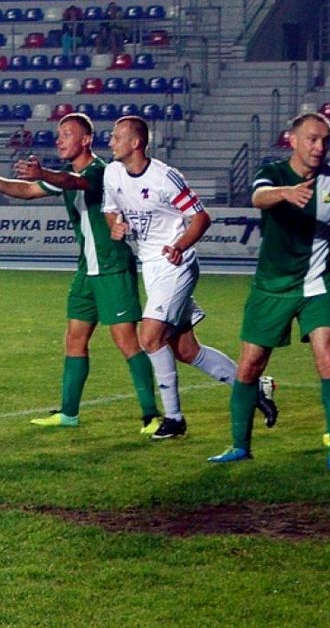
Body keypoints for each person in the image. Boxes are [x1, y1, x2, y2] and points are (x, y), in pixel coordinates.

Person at [0, 113, 161, 431]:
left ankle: (151, 415)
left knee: (127, 342)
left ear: (86, 140)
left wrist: (44, 172)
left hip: (112, 269)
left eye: (67, 134)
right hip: (87, 272)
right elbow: (29, 191)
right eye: (58, 134)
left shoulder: (104, 171)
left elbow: (77, 183)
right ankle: (68, 414)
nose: (59, 139)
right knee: (74, 339)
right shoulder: (66, 174)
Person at [94, 115, 277, 438]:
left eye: (116, 136)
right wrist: (116, 226)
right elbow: (111, 210)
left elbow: (201, 218)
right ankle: (254, 387)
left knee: (150, 338)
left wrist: (179, 246)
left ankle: (175, 419)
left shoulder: (165, 178)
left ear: (135, 142)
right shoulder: (112, 174)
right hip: (150, 266)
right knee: (186, 350)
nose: (110, 141)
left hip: (176, 265)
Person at [208, 113, 330, 471]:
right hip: (271, 287)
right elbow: (258, 197)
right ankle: (239, 446)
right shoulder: (274, 173)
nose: (319, 146)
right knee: (249, 366)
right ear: (291, 140)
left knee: (329, 362)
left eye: (325, 140)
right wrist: (286, 194)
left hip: (317, 285)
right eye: (311, 139)